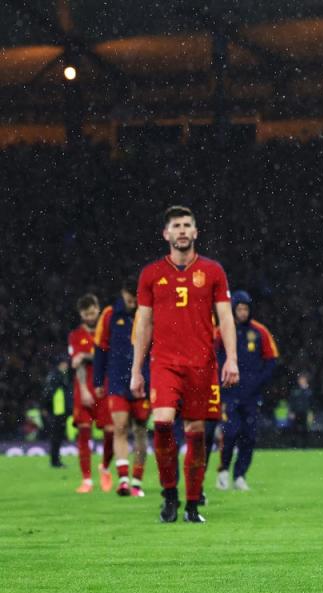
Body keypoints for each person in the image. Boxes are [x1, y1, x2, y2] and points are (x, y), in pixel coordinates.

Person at [130, 205, 239, 523]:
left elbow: (226, 318)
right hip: (164, 363)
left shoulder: (213, 271)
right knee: (162, 423)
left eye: (186, 225)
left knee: (196, 431)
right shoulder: (151, 274)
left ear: (195, 232)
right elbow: (145, 324)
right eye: (175, 225)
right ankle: (169, 496)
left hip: (202, 363)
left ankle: (192, 504)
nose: (181, 230)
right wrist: (137, 370)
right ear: (166, 234)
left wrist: (231, 358)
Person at [214, 290, 279, 491]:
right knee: (230, 432)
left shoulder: (260, 332)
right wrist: (219, 382)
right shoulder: (221, 331)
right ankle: (223, 471)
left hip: (251, 395)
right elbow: (212, 358)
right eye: (239, 309)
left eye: (245, 309)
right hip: (229, 393)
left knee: (249, 436)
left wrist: (258, 382)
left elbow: (272, 359)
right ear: (232, 309)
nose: (242, 312)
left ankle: (240, 475)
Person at [93, 279, 151, 497]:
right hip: (117, 381)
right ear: (123, 292)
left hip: (143, 382)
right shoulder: (109, 315)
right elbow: (100, 349)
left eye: (136, 296)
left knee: (140, 430)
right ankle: (124, 480)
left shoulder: (147, 313)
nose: (133, 300)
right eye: (130, 295)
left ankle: (137, 481)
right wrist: (98, 381)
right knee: (120, 427)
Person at [68, 293, 115, 493]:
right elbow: (77, 365)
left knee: (111, 433)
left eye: (93, 312)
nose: (90, 316)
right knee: (84, 433)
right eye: (86, 314)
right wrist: (85, 390)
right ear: (81, 314)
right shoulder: (75, 335)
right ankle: (86, 480)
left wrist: (86, 355)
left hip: (106, 388)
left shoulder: (107, 331)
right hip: (84, 389)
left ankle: (104, 467)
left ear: (98, 308)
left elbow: (108, 355)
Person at [42, 355, 72, 468]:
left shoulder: (61, 376)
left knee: (58, 436)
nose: (66, 366)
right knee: (56, 436)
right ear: (60, 364)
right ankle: (55, 461)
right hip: (57, 411)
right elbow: (48, 393)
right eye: (65, 363)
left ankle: (56, 460)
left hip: (61, 411)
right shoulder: (56, 376)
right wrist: (45, 407)